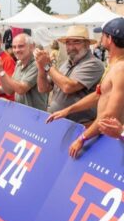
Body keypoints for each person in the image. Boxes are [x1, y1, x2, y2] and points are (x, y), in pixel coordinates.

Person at [47, 18, 124, 157]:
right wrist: (68, 110)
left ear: (110, 39)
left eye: (103, 35)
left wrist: (83, 138)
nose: (100, 38)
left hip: (112, 140)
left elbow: (108, 116)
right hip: (104, 134)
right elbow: (98, 95)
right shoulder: (114, 65)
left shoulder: (120, 69)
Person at [36, 25, 104, 124]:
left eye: (76, 42)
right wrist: (41, 67)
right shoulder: (66, 64)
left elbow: (68, 87)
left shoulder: (94, 63)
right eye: (68, 43)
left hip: (80, 125)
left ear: (87, 44)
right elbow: (43, 88)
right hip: (59, 122)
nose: (71, 47)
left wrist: (47, 66)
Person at [0, 33, 47, 111]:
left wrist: (2, 72)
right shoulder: (19, 64)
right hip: (21, 112)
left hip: (34, 115)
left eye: (21, 46)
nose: (17, 50)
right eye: (14, 47)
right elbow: (9, 91)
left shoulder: (37, 64)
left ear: (31, 46)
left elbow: (21, 89)